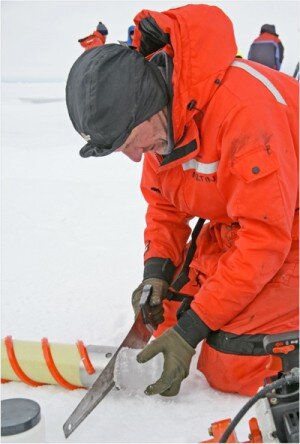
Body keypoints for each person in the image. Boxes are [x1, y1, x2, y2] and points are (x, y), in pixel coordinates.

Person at [66, 4, 299, 397]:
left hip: (285, 227)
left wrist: (194, 330)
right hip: (246, 224)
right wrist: (156, 270)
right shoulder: (163, 119)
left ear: (141, 107)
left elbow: (263, 240)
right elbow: (165, 206)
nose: (137, 157)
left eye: (129, 143)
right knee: (168, 319)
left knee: (234, 360)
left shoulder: (245, 114)